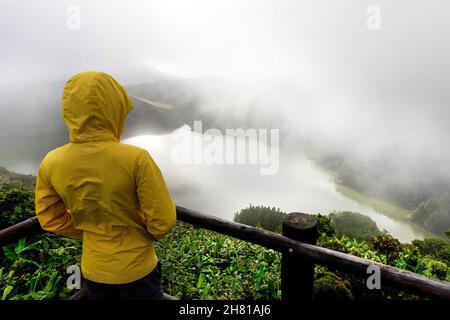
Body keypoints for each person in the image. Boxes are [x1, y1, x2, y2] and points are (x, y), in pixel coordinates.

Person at [35, 71, 177, 300]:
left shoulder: (52, 161)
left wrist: (89, 230)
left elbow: (50, 218)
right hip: (139, 268)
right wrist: (138, 233)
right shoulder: (136, 158)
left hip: (95, 270)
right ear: (115, 109)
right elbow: (163, 221)